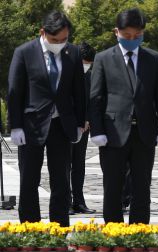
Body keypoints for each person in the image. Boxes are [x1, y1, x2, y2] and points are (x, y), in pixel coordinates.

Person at [90, 7, 158, 225]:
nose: (132, 40)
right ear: (116, 32)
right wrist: (97, 130)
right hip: (113, 133)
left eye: (137, 36)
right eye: (127, 36)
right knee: (113, 186)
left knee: (142, 186)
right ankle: (114, 233)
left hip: (144, 132)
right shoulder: (103, 58)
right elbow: (96, 97)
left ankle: (139, 233)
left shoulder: (153, 59)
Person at [7, 11, 85, 227]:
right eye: (55, 40)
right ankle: (31, 227)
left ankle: (59, 227)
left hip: (61, 124)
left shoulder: (74, 53)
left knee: (61, 180)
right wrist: (15, 126)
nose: (60, 44)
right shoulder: (24, 52)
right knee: (29, 179)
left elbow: (79, 91)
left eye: (64, 39)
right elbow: (15, 91)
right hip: (31, 125)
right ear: (43, 33)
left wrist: (79, 122)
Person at [69, 41, 96, 214]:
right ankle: (66, 201)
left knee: (79, 164)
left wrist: (87, 119)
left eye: (89, 64)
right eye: (84, 63)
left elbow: (91, 99)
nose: (86, 66)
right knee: (63, 165)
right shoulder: (65, 73)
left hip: (82, 127)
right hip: (64, 125)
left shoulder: (89, 75)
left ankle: (78, 201)